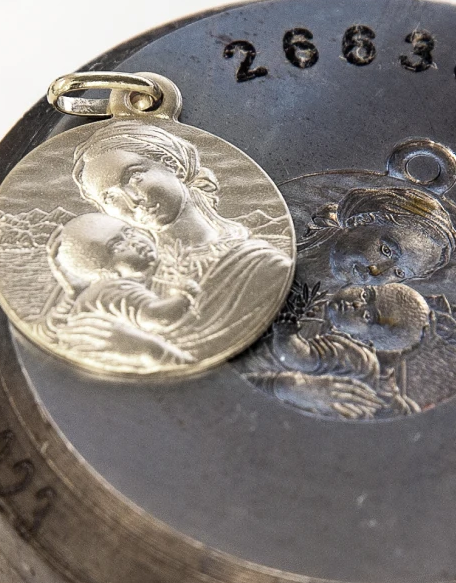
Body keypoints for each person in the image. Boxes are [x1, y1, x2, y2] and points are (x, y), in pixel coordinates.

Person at [68, 119, 291, 358]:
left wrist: (146, 350)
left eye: (134, 177)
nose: (132, 200)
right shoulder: (133, 280)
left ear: (171, 165)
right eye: (110, 197)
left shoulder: (263, 266)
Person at [245, 281, 432, 419]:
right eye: (366, 295)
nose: (356, 305)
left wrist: (286, 334)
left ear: (363, 339)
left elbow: (302, 358)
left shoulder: (350, 355)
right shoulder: (325, 290)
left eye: (367, 316)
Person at [40, 212, 196, 371]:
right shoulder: (113, 289)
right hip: (124, 358)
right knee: (154, 352)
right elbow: (154, 317)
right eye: (118, 246)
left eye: (130, 232)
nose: (134, 243)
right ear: (107, 273)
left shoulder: (154, 270)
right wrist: (184, 295)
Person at [298, 183, 456, 289]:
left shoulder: (342, 308)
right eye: (386, 250)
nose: (376, 272)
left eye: (399, 273)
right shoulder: (292, 232)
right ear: (363, 220)